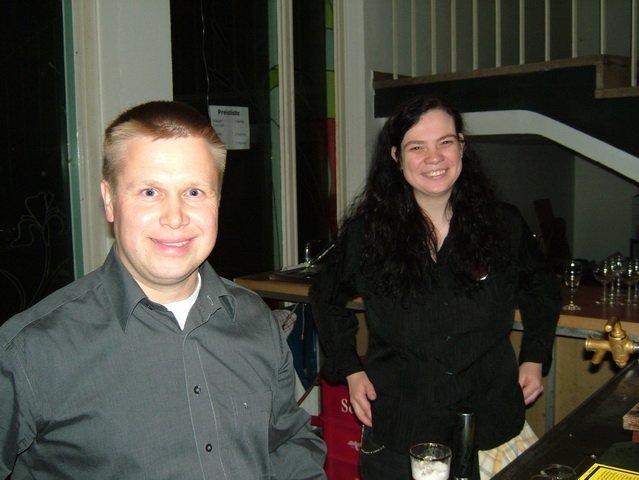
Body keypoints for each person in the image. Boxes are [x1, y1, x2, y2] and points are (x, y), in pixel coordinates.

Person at [0, 100, 327, 479]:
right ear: (109, 200)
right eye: (150, 192)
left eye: (194, 192)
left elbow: (286, 442)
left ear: (218, 200)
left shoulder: (255, 319)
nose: (175, 217)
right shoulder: (31, 350)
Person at [310, 95, 560, 480]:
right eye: (417, 147)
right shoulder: (367, 234)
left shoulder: (504, 225)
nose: (434, 157)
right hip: (400, 430)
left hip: (489, 425)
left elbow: (541, 287)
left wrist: (535, 355)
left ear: (462, 146)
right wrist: (350, 370)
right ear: (396, 157)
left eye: (445, 142)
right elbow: (325, 296)